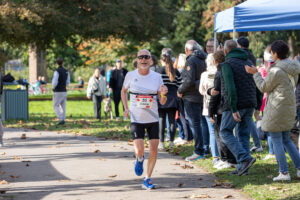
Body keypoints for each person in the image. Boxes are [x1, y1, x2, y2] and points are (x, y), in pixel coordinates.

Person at [246, 40, 300, 181]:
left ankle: (284, 172)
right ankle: (299, 169)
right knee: (286, 139)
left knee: (277, 139)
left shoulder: (276, 70)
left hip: (277, 108)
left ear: (276, 54)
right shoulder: (295, 66)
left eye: (272, 53)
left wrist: (255, 73)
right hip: (289, 106)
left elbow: (264, 87)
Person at [121, 49, 168, 189]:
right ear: (137, 60)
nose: (143, 60)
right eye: (141, 57)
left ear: (151, 61)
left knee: (153, 150)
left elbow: (163, 101)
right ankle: (139, 158)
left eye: (146, 57)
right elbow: (123, 91)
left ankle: (147, 178)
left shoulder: (157, 77)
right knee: (140, 150)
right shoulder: (130, 75)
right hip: (136, 118)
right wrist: (125, 108)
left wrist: (164, 94)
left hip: (153, 118)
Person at [220, 40, 259, 176]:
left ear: (225, 51)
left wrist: (233, 108)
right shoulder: (248, 62)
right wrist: (258, 105)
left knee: (225, 132)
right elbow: (256, 83)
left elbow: (230, 88)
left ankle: (245, 158)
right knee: (243, 135)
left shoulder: (227, 65)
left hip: (237, 105)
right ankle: (244, 168)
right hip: (250, 103)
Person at [177, 40, 207, 161]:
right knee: (201, 124)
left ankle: (198, 150)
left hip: (190, 96)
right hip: (202, 96)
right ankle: (204, 148)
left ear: (186, 49)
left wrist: (180, 90)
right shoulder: (205, 59)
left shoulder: (191, 60)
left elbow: (188, 80)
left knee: (195, 124)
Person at [208, 50, 237, 170]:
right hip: (224, 106)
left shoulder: (219, 73)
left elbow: (216, 93)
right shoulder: (228, 70)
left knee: (220, 134)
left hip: (220, 107)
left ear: (215, 61)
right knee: (222, 133)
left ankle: (228, 159)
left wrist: (210, 111)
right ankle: (224, 158)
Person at [237, 36, 263, 152]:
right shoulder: (251, 56)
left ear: (240, 46)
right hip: (251, 92)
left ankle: (254, 145)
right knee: (248, 120)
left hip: (245, 92)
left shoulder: (242, 57)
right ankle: (255, 144)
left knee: (244, 123)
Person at [157, 48, 181, 150]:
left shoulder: (158, 71)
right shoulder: (176, 71)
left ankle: (161, 142)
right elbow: (180, 85)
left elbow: (156, 85)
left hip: (162, 98)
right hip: (173, 99)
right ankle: (171, 142)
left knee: (161, 121)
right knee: (172, 121)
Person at [199, 53, 219, 164]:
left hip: (207, 105)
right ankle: (221, 154)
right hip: (220, 105)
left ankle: (215, 156)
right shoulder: (219, 72)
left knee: (212, 131)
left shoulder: (204, 75)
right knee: (220, 130)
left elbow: (201, 91)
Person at [52, 58, 70, 125]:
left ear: (56, 63)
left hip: (58, 91)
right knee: (63, 105)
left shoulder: (57, 71)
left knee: (55, 105)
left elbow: (55, 82)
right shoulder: (66, 71)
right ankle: (63, 118)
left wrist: (53, 87)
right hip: (64, 90)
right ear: (63, 63)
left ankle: (61, 118)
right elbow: (68, 82)